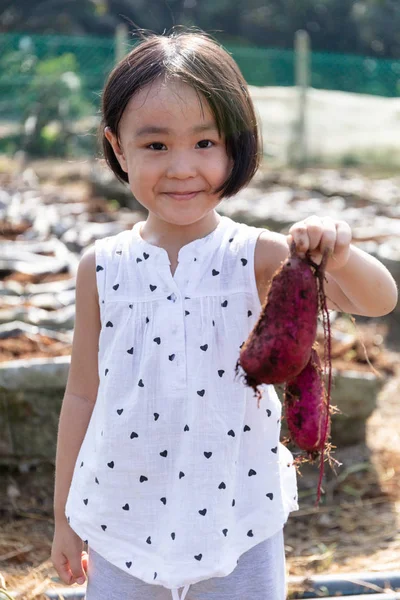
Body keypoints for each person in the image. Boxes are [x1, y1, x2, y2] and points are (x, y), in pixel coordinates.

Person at [51, 28, 398, 600]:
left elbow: (378, 299)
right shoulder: (101, 265)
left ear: (237, 146)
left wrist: (341, 251)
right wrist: (66, 518)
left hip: (237, 515)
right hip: (120, 519)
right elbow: (82, 396)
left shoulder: (256, 255)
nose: (182, 168)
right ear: (118, 147)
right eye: (156, 145)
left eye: (205, 143)